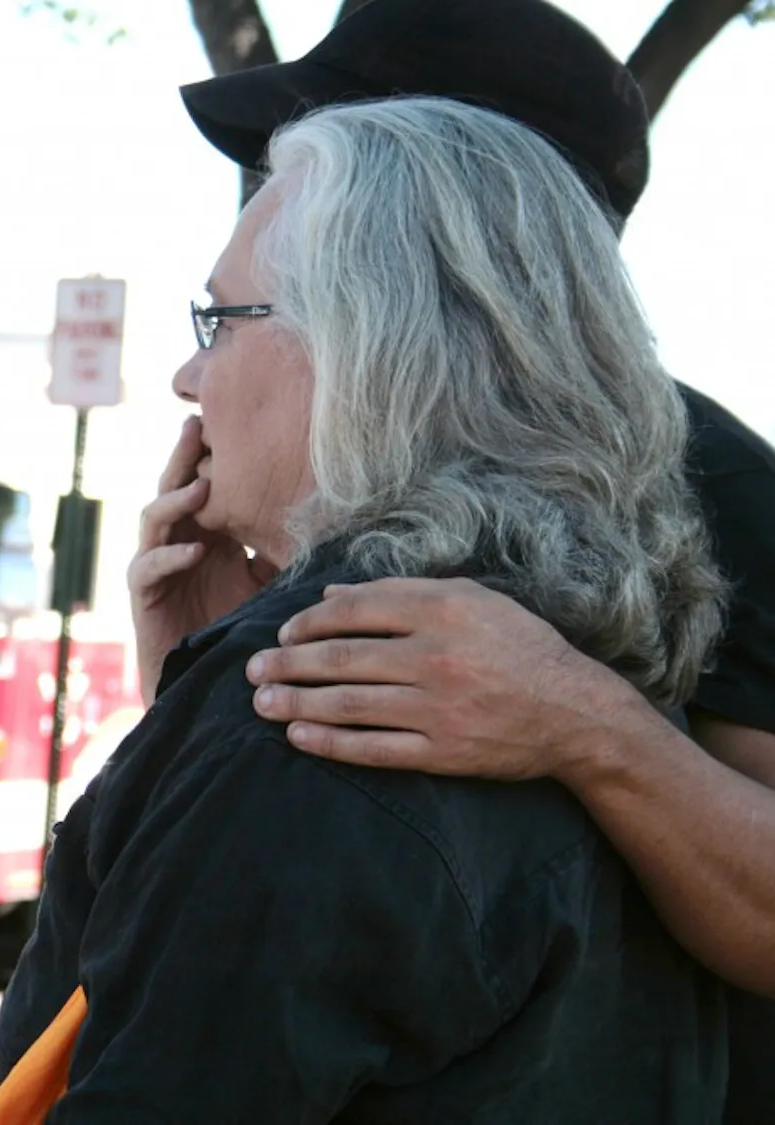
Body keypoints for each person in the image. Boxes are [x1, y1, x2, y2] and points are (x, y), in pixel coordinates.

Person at [0, 96, 727, 1122]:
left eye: (220, 321)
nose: (188, 377)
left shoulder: (326, 697)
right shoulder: (588, 655)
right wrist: (186, 692)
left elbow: (85, 1071)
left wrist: (220, 713)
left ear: (366, 346)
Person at [170, 2, 775, 1120]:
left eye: (349, 155)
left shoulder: (720, 481)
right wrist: (193, 668)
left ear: (463, 204)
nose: (288, 190)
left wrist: (586, 721)